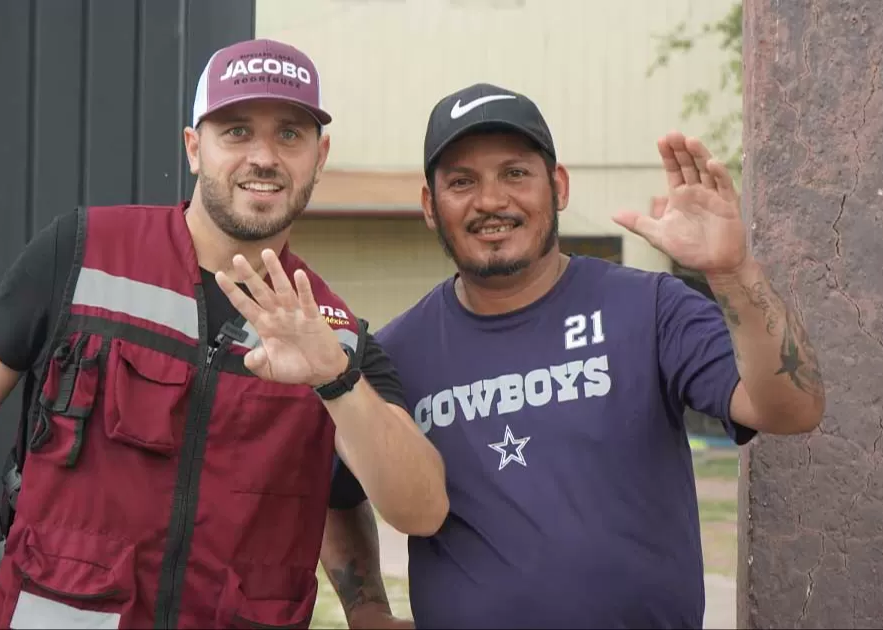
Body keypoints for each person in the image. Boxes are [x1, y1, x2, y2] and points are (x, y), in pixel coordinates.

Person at [0, 38, 446, 630]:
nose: (264, 156)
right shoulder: (81, 253)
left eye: (290, 134)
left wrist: (337, 381)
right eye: (236, 131)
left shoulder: (337, 335)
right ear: (194, 148)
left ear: (320, 155)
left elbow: (416, 508)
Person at [319, 82, 826, 629]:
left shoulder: (650, 308)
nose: (491, 200)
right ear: (429, 206)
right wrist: (366, 609)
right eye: (462, 182)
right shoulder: (394, 353)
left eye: (515, 173)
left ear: (557, 186)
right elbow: (333, 491)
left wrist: (732, 272)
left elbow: (793, 409)